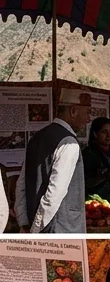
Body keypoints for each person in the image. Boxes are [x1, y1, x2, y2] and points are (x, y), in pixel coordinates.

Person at [17, 92, 88, 233]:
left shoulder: (37, 137)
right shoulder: (68, 142)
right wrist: (35, 229)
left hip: (38, 224)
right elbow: (55, 192)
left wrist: (24, 221)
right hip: (61, 229)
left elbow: (22, 185)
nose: (88, 119)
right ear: (73, 111)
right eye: (87, 113)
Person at [83, 117, 110, 202]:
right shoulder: (88, 153)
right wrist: (105, 175)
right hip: (98, 201)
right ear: (95, 134)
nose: (109, 135)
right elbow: (86, 182)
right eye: (104, 132)